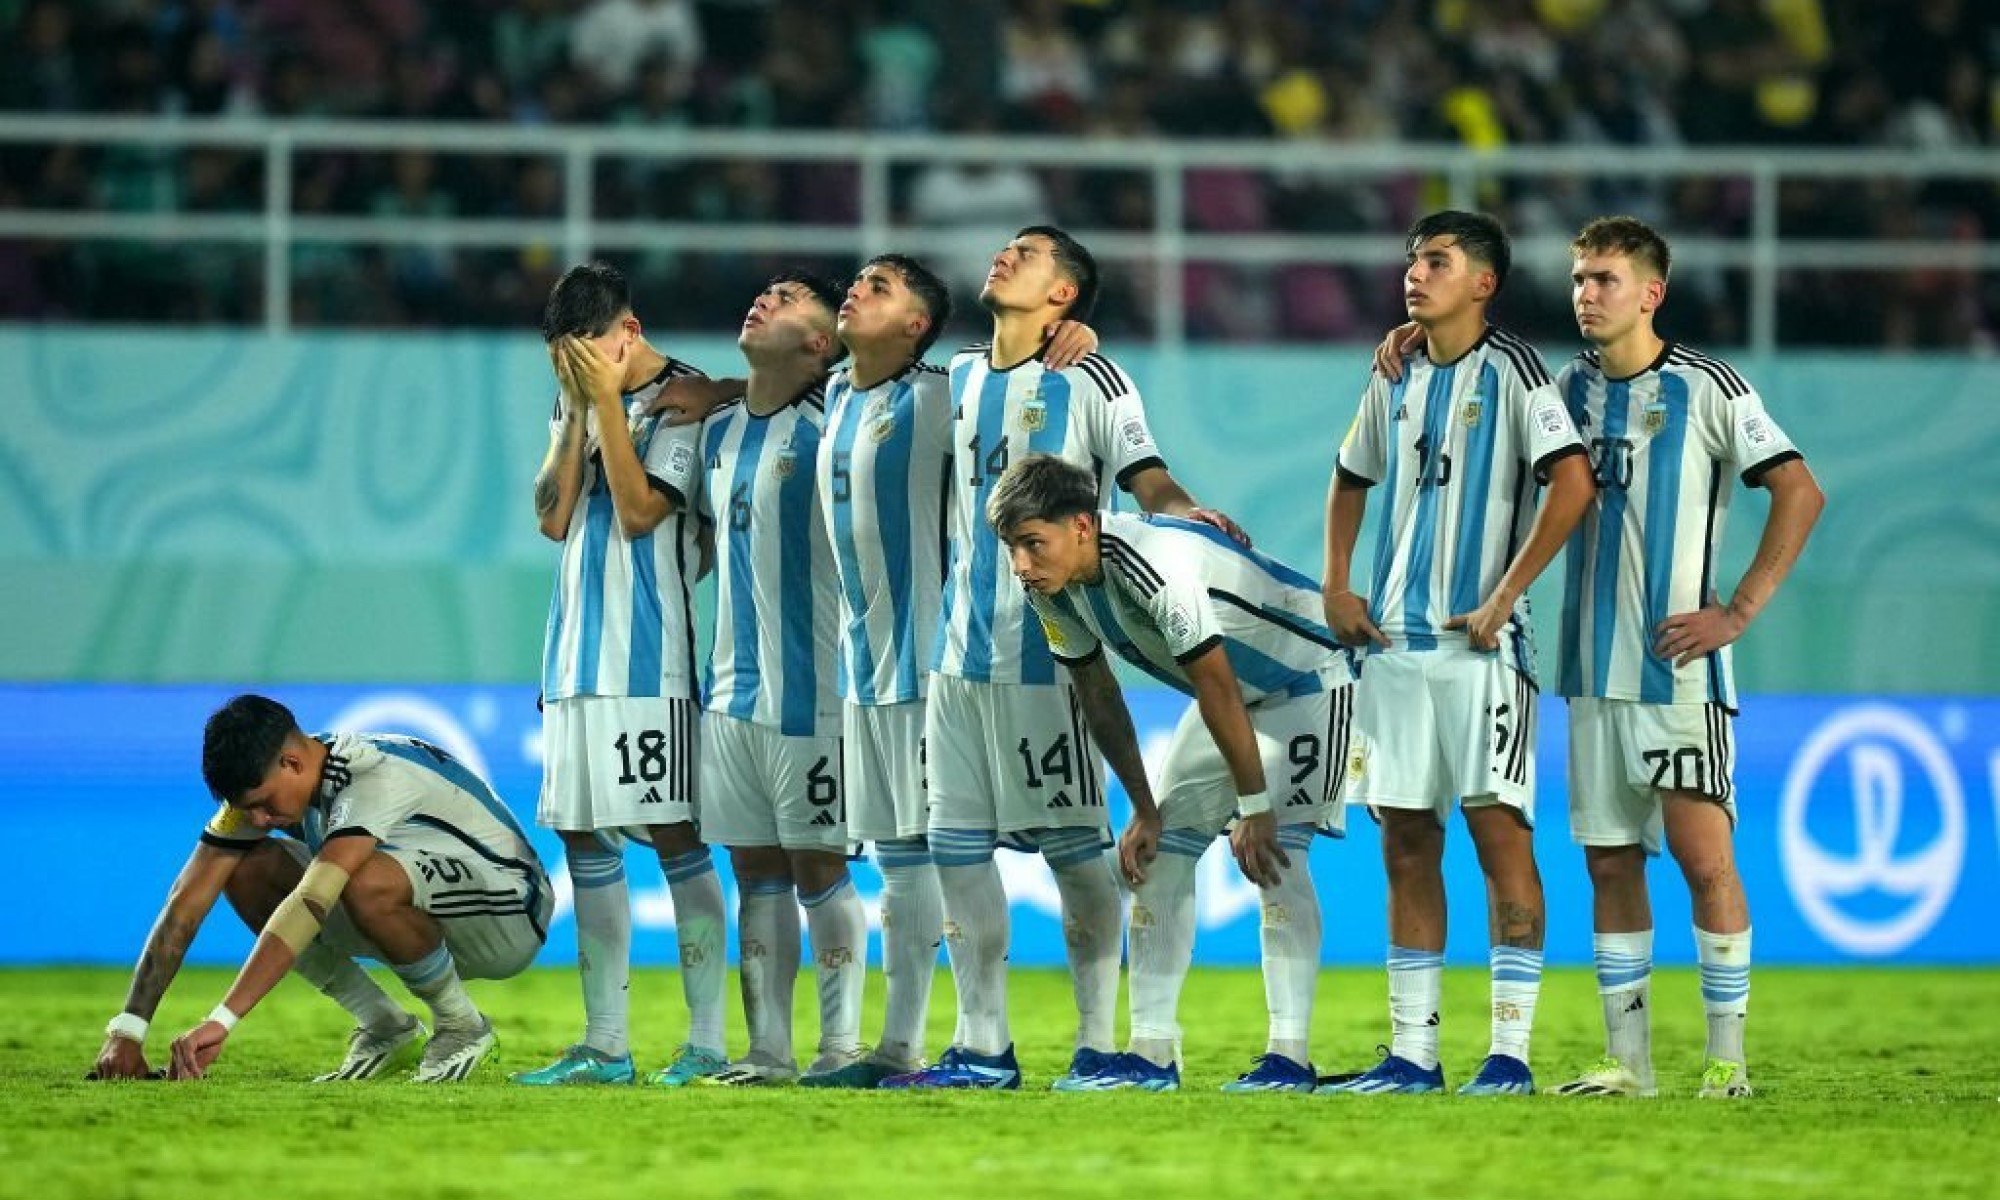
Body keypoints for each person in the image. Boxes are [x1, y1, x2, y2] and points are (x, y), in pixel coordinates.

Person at [649, 253, 1100, 1088]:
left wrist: (1064, 335)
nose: (859, 288)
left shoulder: (937, 394)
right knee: (890, 861)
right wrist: (717, 391)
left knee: (952, 856)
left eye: (879, 287)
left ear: (914, 325)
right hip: (858, 675)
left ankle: (941, 1043)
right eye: (857, 282)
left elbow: (1006, 373)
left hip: (931, 665)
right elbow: (766, 398)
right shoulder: (832, 402)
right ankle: (836, 1052)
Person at [883, 226, 1240, 1091]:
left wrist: (1194, 517)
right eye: (1004, 248)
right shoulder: (954, 379)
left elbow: (1148, 478)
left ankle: (1096, 1041)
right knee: (956, 848)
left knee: (1076, 852)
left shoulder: (1093, 376)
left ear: (1065, 295)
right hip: (957, 661)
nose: (1003, 255)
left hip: (1055, 654)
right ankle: (983, 1047)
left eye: (1029, 254)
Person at [1545, 217, 1823, 1099]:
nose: (1588, 294)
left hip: (1679, 676)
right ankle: (1630, 1067)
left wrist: (1740, 608)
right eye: (1580, 279)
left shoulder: (1709, 388)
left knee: (1705, 861)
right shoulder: (1562, 391)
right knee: (1610, 861)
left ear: (1650, 293)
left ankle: (1726, 1065)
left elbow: (1799, 490)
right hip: (1592, 673)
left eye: (1605, 280)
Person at [1320, 211, 1594, 1097]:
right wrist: (1337, 583)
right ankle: (1414, 1056)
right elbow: (1350, 475)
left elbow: (1574, 480)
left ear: (1483, 282)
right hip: (1394, 648)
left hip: (1482, 653)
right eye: (1411, 260)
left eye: (1436, 261)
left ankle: (1509, 1055)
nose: (1415, 273)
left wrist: (1507, 594)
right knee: (1404, 842)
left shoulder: (1514, 370)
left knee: (1500, 839)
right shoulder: (1394, 371)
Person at [986, 454, 1355, 1094]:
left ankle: (1288, 1059)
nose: (1020, 563)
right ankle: (1152, 1055)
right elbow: (1097, 694)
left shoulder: (1155, 562)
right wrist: (1145, 809)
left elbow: (1212, 682)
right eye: (1013, 548)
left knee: (1276, 855)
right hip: (1234, 700)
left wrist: (1254, 805)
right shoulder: (1048, 585)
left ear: (1080, 526)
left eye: (1031, 544)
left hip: (1310, 681)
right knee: (1157, 857)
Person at [89, 694, 551, 1084]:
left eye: (264, 805)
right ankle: (385, 1026)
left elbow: (312, 899)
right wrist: (128, 1030)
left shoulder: (371, 775)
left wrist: (222, 1020)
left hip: (510, 909)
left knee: (358, 876)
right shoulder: (267, 794)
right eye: (247, 810)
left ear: (292, 762)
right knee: (248, 867)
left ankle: (461, 1026)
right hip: (425, 902)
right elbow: (183, 906)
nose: (259, 821)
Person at [513, 262, 729, 1088]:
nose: (571, 375)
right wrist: (576, 413)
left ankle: (706, 1040)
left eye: (583, 358)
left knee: (676, 838)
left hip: (649, 658)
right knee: (582, 838)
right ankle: (605, 1045)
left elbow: (642, 515)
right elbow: (552, 515)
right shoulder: (577, 397)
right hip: (572, 655)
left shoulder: (684, 400)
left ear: (627, 334)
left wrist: (606, 404)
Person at [694, 271, 863, 1086]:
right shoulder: (717, 430)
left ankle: (841, 1048)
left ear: (820, 344)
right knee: (754, 870)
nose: (762, 297)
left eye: (789, 298)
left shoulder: (838, 424)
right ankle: (768, 1053)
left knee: (819, 866)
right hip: (729, 696)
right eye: (762, 289)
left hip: (817, 694)